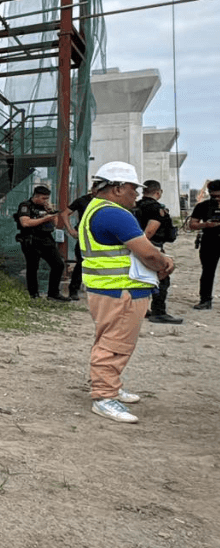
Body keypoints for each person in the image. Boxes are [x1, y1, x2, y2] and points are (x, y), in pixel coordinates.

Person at [78, 161, 174, 424]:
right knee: (114, 344)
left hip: (108, 290)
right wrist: (166, 264)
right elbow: (147, 253)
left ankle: (109, 384)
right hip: (121, 291)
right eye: (133, 188)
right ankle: (104, 396)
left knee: (109, 339)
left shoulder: (95, 209)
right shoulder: (115, 214)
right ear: (118, 188)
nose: (137, 194)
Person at [134, 180, 182, 324]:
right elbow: (149, 231)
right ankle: (158, 312)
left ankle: (141, 309)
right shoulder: (157, 209)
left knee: (141, 278)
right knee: (163, 277)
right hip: (151, 246)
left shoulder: (136, 206)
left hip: (134, 245)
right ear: (158, 192)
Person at [14, 185, 69, 301]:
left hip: (46, 238)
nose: (46, 201)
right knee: (33, 267)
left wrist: (51, 212)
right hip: (31, 239)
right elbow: (25, 223)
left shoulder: (45, 207)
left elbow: (56, 224)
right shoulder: (26, 206)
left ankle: (53, 293)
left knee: (58, 264)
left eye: (47, 198)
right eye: (44, 198)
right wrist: (45, 219)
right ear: (36, 196)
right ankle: (34, 294)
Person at [188, 179, 220, 310]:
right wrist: (206, 224)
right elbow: (192, 224)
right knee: (207, 272)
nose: (217, 199)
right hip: (210, 241)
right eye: (214, 196)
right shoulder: (203, 206)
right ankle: (205, 300)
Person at [63, 188, 94, 301]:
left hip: (99, 235)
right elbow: (65, 213)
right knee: (81, 262)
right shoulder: (82, 200)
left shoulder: (105, 200)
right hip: (84, 236)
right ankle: (73, 289)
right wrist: (70, 230)